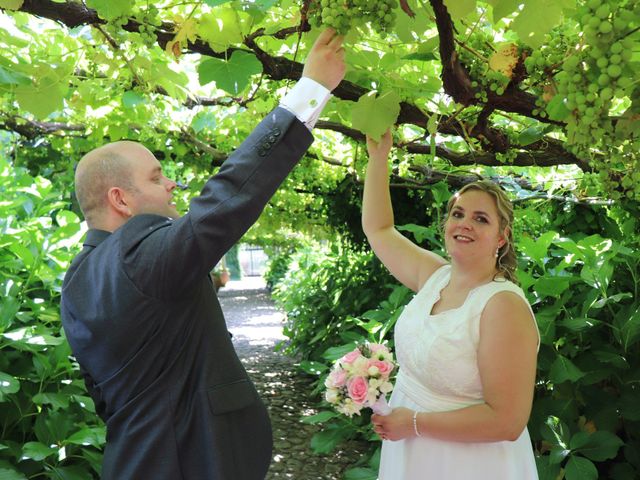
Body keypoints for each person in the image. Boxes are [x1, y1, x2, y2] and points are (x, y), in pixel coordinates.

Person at [60, 29, 345, 480]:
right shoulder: (137, 252)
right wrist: (309, 92)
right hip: (192, 462)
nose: (172, 184)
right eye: (156, 178)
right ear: (121, 200)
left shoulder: (75, 283)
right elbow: (222, 205)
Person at [364, 130, 540, 479]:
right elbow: (379, 229)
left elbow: (507, 421)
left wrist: (413, 424)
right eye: (458, 214)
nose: (464, 224)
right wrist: (379, 157)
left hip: (468, 464)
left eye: (481, 218)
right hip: (410, 452)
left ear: (502, 237)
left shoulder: (502, 306)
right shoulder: (434, 276)